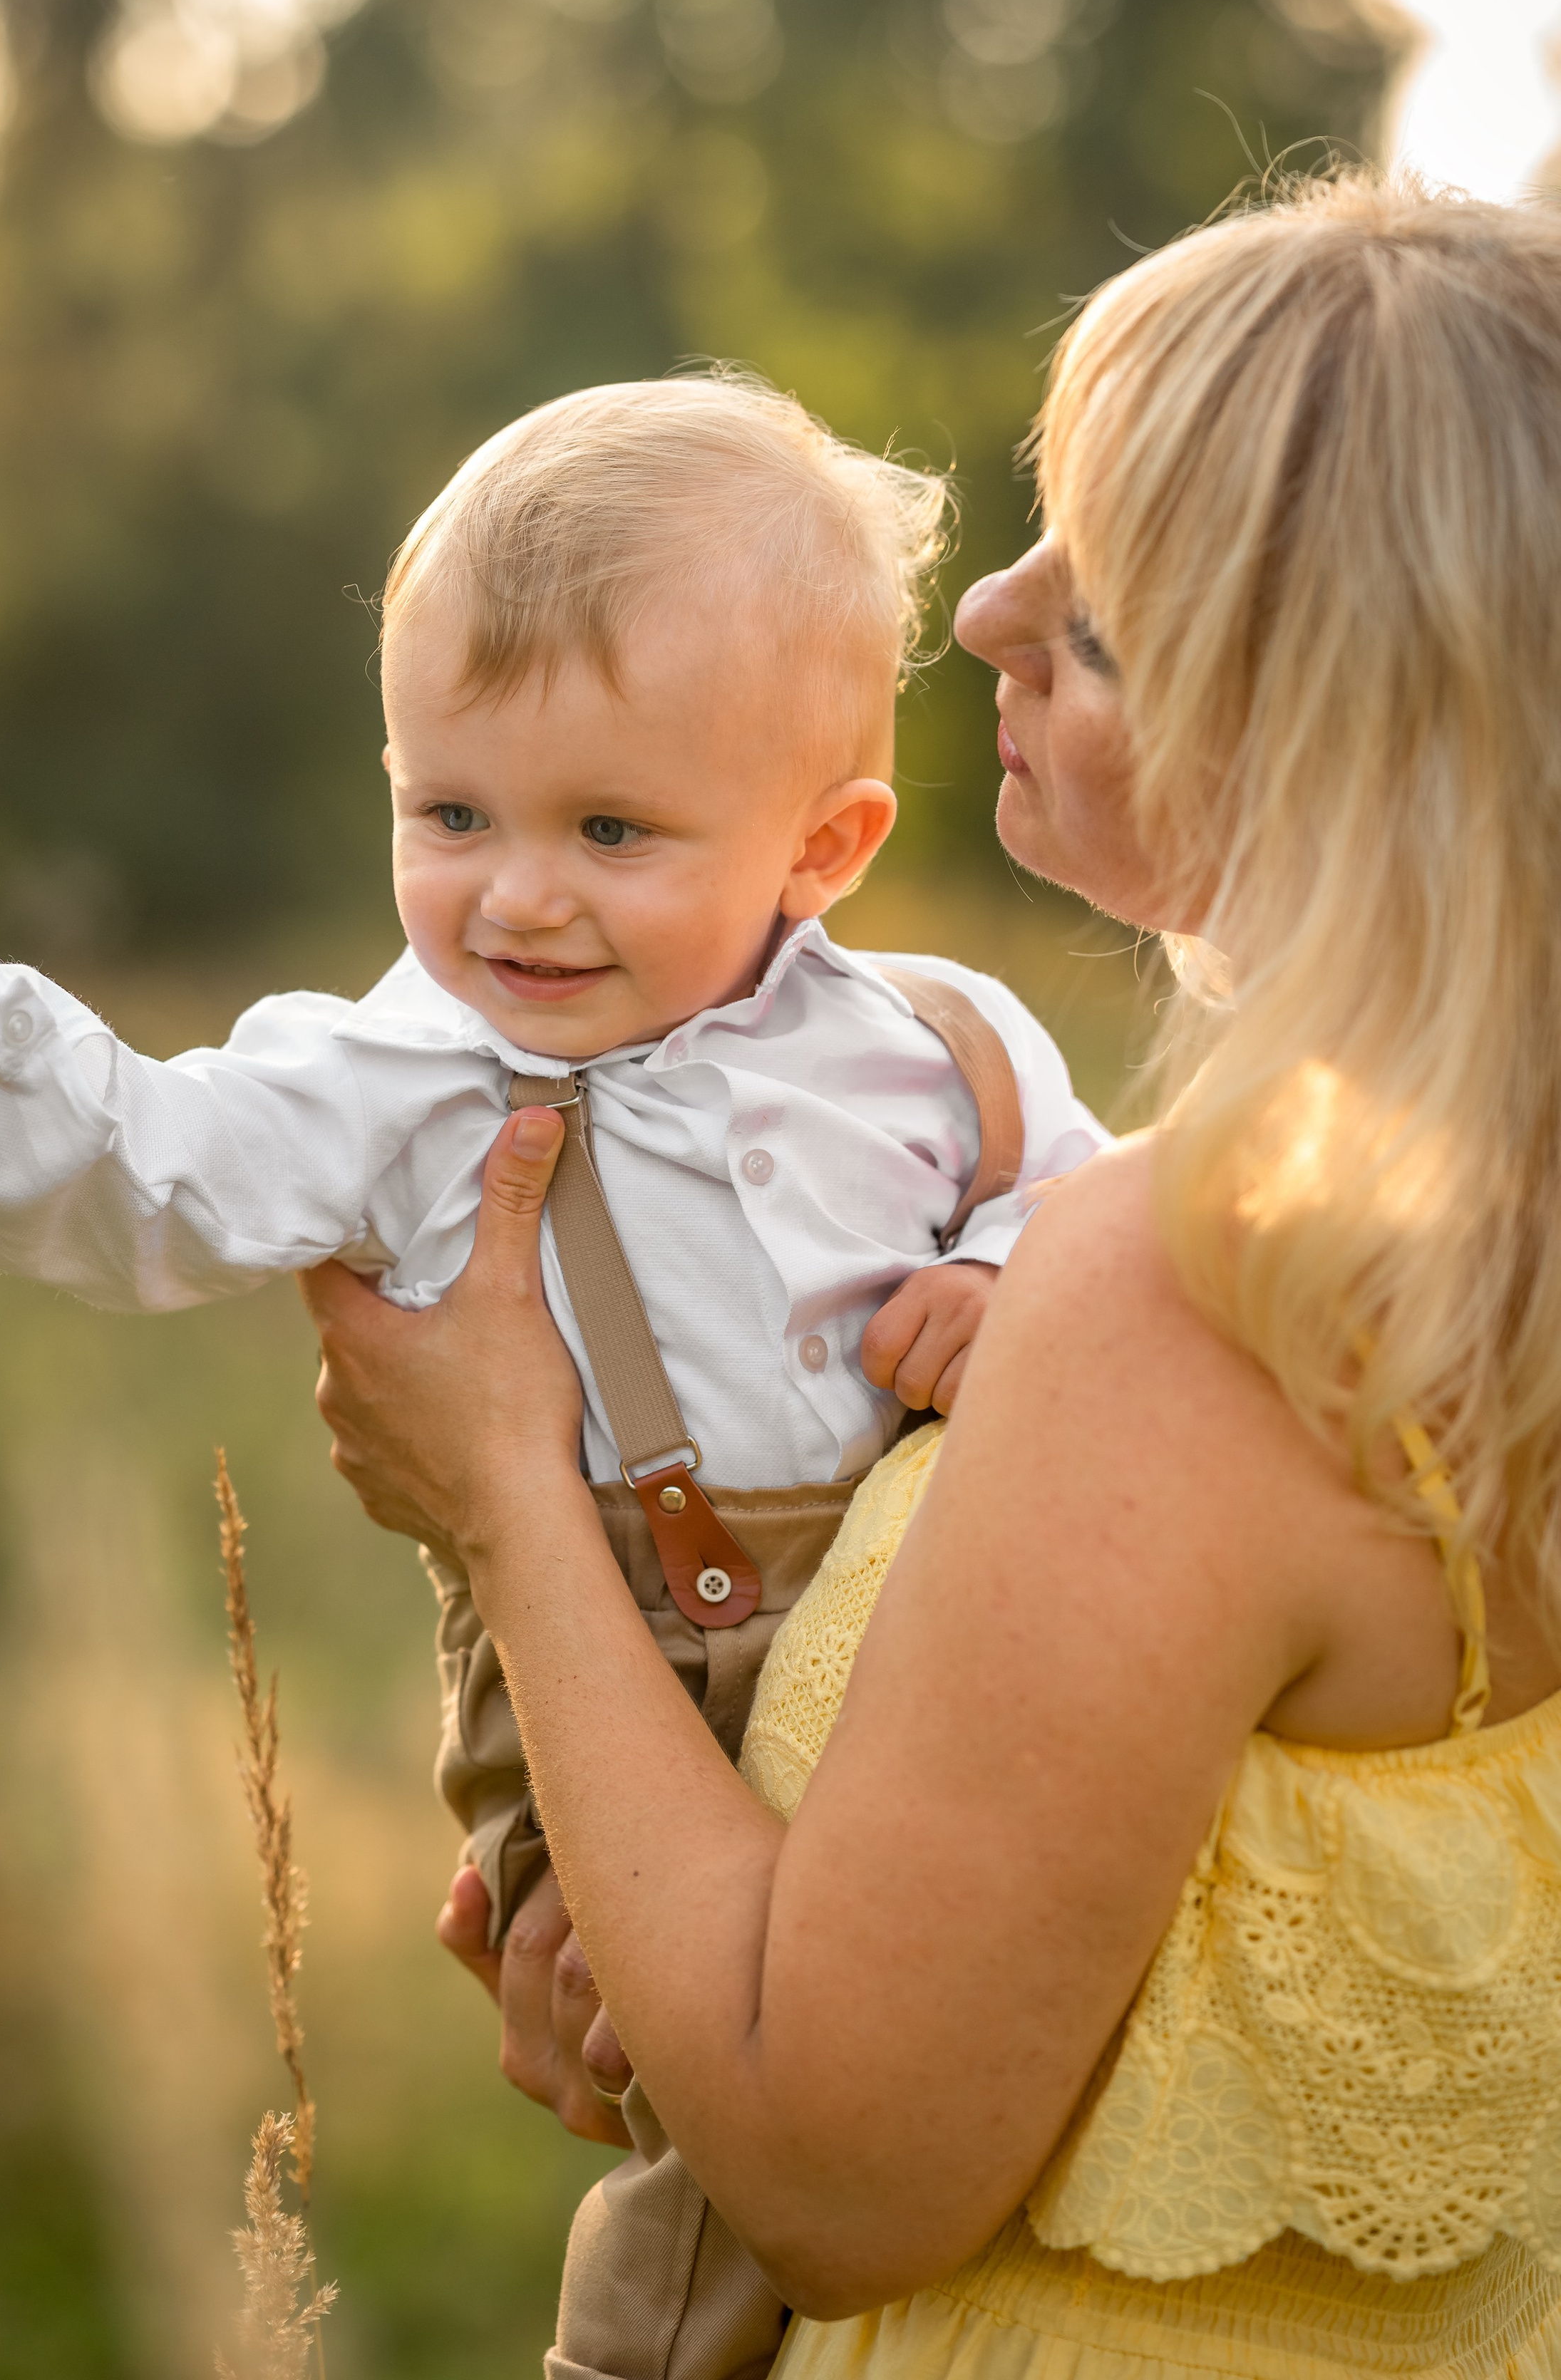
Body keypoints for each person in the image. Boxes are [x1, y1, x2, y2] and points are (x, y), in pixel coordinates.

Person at [302, 175, 1561, 2380]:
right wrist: (644, 1901)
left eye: (1094, 614)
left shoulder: (1196, 1292)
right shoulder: (1477, 1227)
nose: (982, 602)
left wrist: (506, 1493)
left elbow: (838, 2175)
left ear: (1314, 728)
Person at [0, 371, 1107, 2380]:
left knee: (989, 2056)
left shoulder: (938, 1039)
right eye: (449, 813)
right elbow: (144, 1181)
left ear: (821, 845)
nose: (517, 894)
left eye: (611, 830)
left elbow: (1074, 1203)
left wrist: (997, 1270)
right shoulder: (392, 1074)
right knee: (707, 2125)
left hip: (912, 1634)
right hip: (620, 1665)